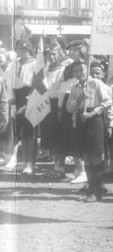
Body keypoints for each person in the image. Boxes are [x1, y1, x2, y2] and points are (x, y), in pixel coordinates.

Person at [66, 61, 112, 202]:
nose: (79, 74)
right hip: (81, 120)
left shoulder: (96, 83)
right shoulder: (74, 88)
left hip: (95, 119)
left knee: (96, 155)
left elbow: (108, 101)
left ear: (87, 70)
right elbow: (69, 108)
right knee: (86, 156)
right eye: (76, 71)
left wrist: (93, 113)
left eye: (82, 70)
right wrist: (79, 99)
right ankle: (90, 189)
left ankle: (97, 191)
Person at [59, 39, 89, 183]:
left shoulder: (89, 63)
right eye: (70, 49)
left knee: (84, 141)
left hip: (88, 108)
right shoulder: (68, 66)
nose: (71, 52)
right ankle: (79, 170)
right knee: (73, 138)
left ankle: (84, 171)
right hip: (72, 101)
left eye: (75, 49)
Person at [42, 39, 70, 178]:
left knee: (60, 136)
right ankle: (56, 164)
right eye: (49, 55)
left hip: (59, 104)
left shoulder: (65, 67)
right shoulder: (48, 69)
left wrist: (49, 94)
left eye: (54, 54)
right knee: (51, 136)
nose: (52, 57)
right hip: (48, 105)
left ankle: (61, 166)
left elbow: (62, 90)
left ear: (59, 53)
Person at [14, 39, 37, 175]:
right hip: (18, 95)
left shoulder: (34, 64)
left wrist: (30, 100)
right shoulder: (16, 64)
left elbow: (36, 83)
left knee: (30, 132)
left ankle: (30, 162)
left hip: (29, 95)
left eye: (23, 50)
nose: (20, 53)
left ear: (28, 50)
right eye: (18, 50)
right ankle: (24, 160)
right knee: (22, 131)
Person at [0, 48, 17, 170]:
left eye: (2, 58)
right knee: (3, 132)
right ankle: (5, 155)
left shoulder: (12, 69)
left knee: (11, 131)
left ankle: (12, 157)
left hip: (11, 102)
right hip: (4, 101)